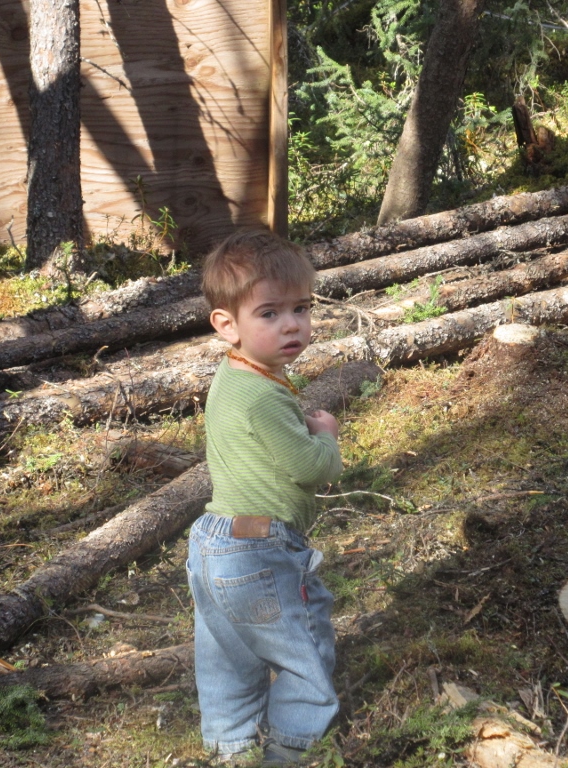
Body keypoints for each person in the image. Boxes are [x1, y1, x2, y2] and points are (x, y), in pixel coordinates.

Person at [188, 229, 344, 766]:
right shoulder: (263, 396)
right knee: (302, 643)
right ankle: (292, 745)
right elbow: (310, 469)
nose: (291, 325)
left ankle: (231, 744)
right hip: (260, 548)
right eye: (269, 313)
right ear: (226, 325)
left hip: (213, 542)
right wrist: (326, 438)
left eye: (301, 308)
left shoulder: (236, 376)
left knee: (226, 653)